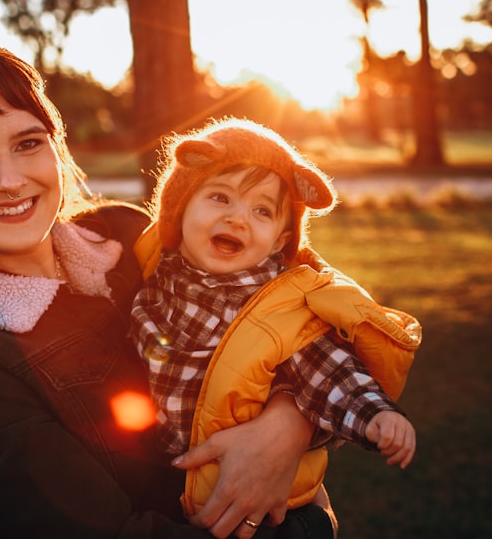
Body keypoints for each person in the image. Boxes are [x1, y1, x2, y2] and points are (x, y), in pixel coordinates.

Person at [0, 32, 336, 539]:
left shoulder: (129, 233)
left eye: (27, 143)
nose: (10, 180)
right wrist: (310, 524)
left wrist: (288, 423)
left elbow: (298, 308)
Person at [130, 118, 421, 520]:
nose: (237, 219)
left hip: (251, 489)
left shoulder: (278, 306)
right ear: (181, 207)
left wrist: (376, 415)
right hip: (167, 480)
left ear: (281, 241)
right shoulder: (155, 273)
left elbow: (329, 372)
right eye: (219, 197)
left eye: (262, 211)